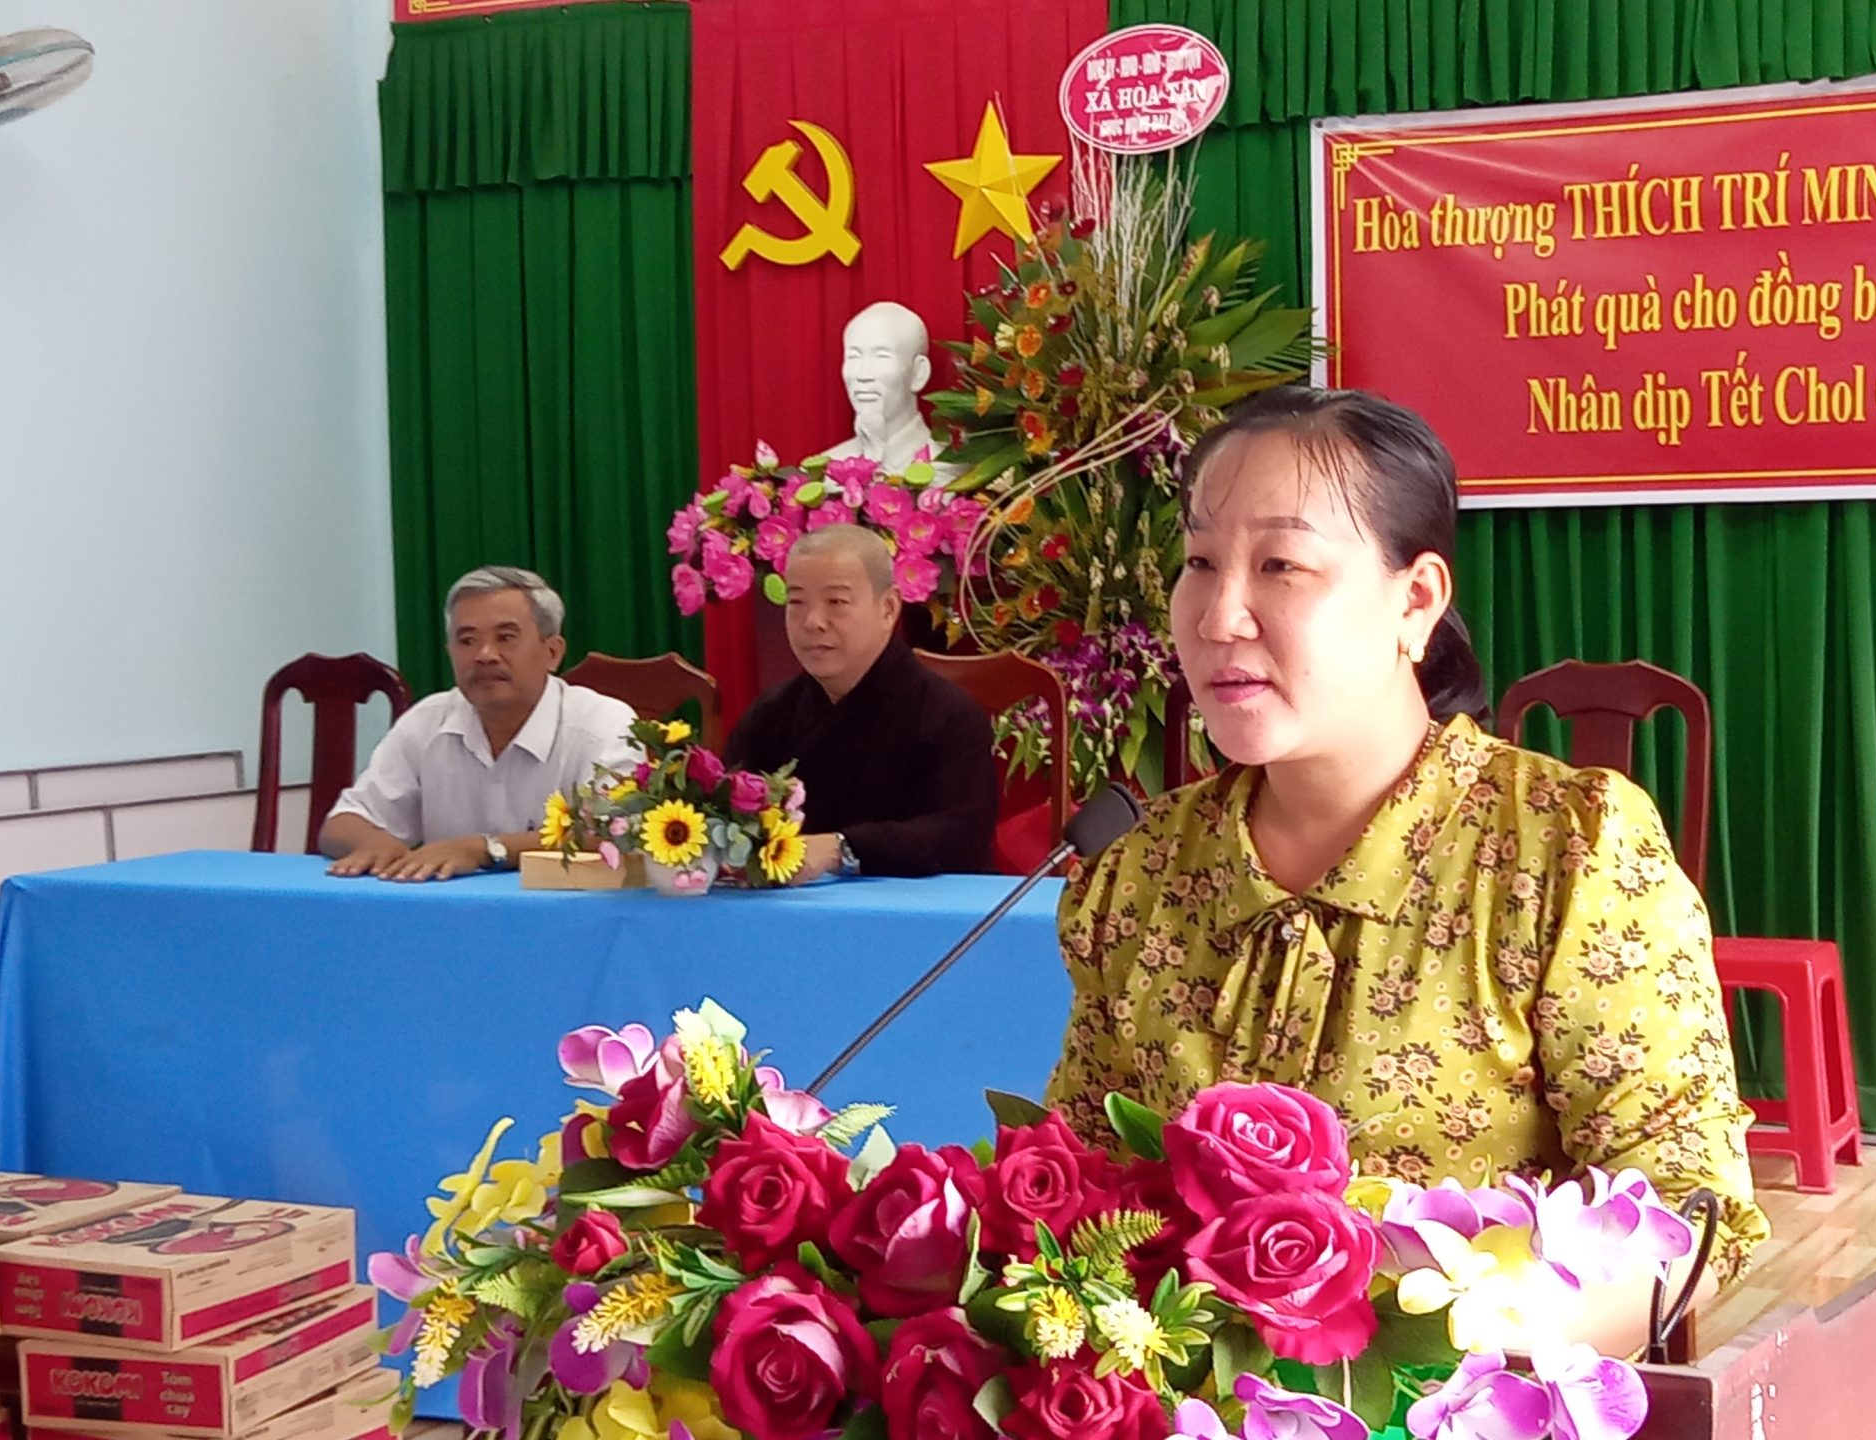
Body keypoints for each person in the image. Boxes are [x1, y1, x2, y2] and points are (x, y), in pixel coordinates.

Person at [1045, 387, 1769, 1353]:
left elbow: (1688, 1207)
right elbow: (1083, 1186)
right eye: (1201, 563)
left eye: (1281, 565)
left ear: (1416, 600)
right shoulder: (1142, 876)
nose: (1219, 617)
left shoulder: (1562, 852)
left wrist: (1452, 1357)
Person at [321, 566, 639, 881]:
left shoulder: (603, 725)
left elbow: (616, 833)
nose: (485, 655)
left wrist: (484, 850)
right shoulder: (427, 721)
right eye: (467, 641)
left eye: (505, 638)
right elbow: (341, 823)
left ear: (552, 652)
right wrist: (377, 844)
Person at [723, 524, 998, 879]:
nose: (813, 622)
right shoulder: (770, 714)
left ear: (888, 608)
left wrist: (840, 849)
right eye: (796, 602)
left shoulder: (950, 716)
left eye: (836, 602)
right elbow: (729, 810)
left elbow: (958, 838)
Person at [822, 301, 941, 471]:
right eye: (854, 356)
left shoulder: (952, 472)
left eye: (881, 356)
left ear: (918, 372)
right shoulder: (824, 473)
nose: (863, 375)